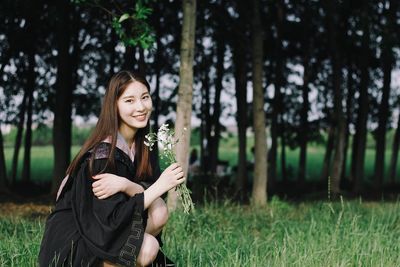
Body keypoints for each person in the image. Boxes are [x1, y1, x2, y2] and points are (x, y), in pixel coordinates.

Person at [39, 70, 185, 266]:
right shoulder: (103, 156)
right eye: (129, 100)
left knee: (159, 211)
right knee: (147, 246)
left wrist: (127, 185)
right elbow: (108, 226)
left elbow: (149, 207)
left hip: (103, 236)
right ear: (114, 106)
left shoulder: (143, 147)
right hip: (75, 244)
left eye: (145, 97)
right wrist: (160, 186)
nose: (141, 107)